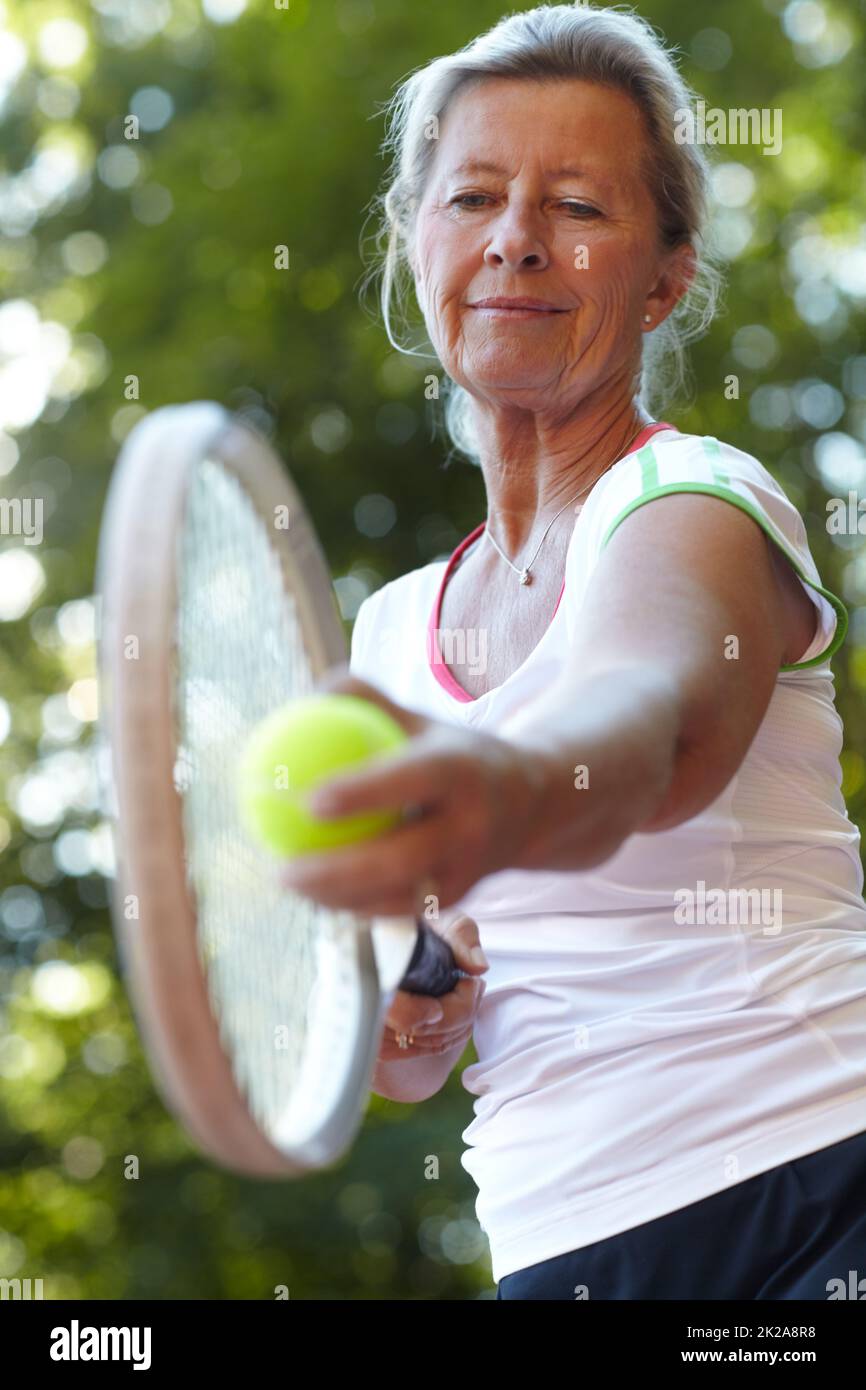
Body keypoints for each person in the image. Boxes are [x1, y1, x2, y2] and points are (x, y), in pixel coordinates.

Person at [281, 4, 866, 1299]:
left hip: (817, 1181)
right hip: (559, 1241)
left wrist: (485, 795)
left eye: (581, 208)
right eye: (473, 194)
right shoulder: (384, 637)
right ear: (413, 240)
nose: (515, 241)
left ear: (663, 275)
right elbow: (408, 1063)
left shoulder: (700, 502)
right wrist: (413, 998)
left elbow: (642, 725)